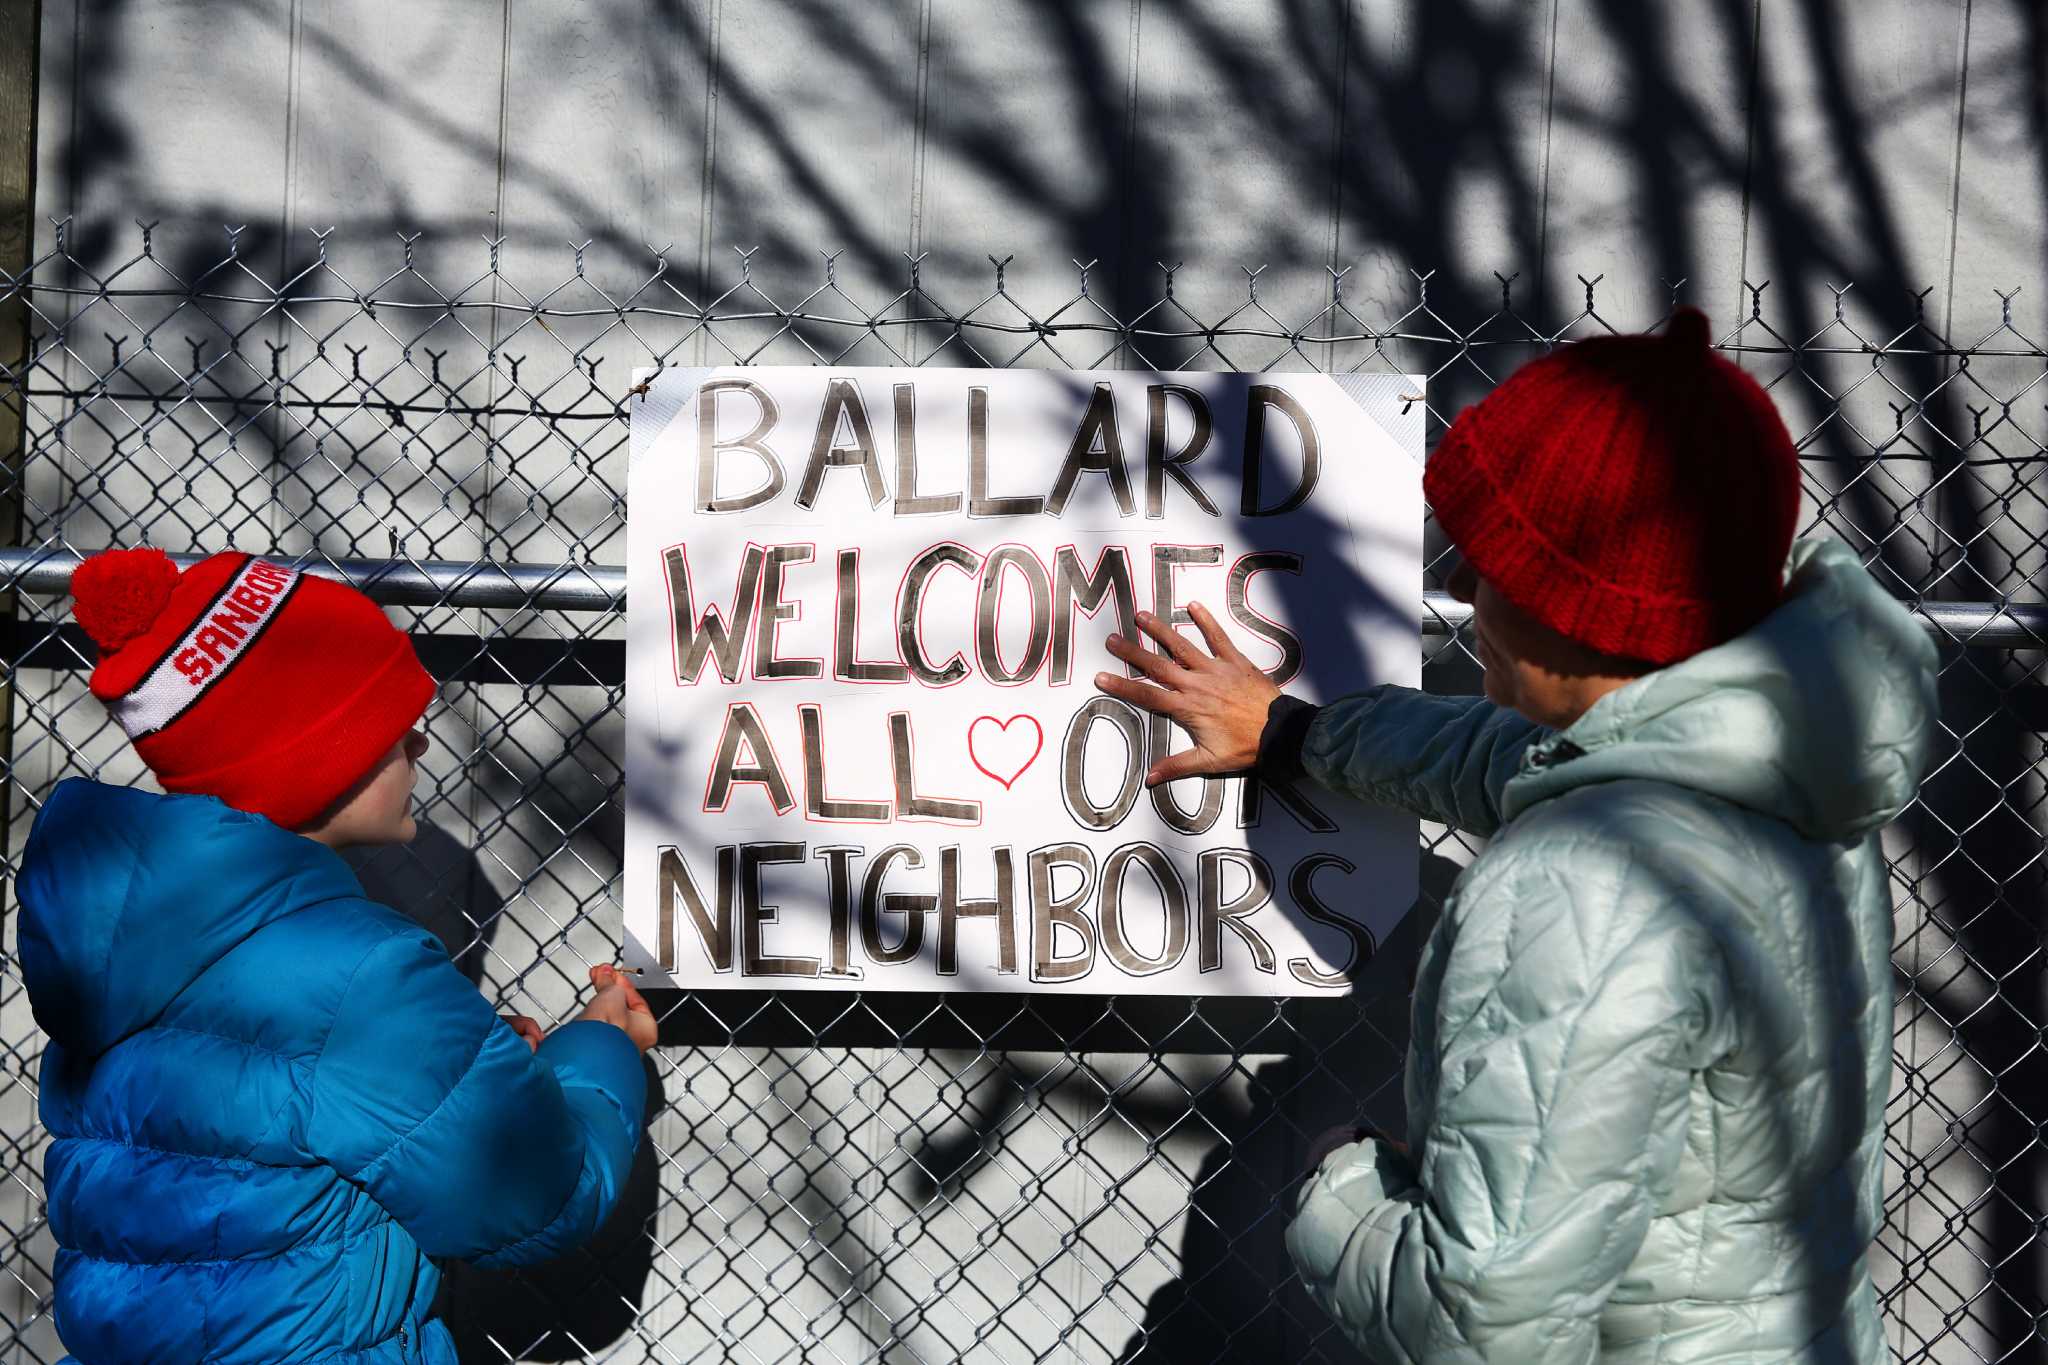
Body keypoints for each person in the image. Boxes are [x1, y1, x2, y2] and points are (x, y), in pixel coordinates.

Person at [1093, 308, 1937, 1363]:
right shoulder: (1773, 774)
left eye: (1489, 561)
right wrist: (1291, 733)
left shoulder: (1581, 886)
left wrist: (1329, 1178)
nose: (1455, 591)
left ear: (1573, 604)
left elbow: (1476, 1321)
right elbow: (1497, 757)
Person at [17, 547, 658, 1364]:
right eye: (393, 724)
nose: (422, 744)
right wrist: (601, 1049)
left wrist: (470, 1066)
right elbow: (539, 1193)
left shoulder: (114, 942)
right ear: (319, 751)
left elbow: (271, 1113)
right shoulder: (364, 977)